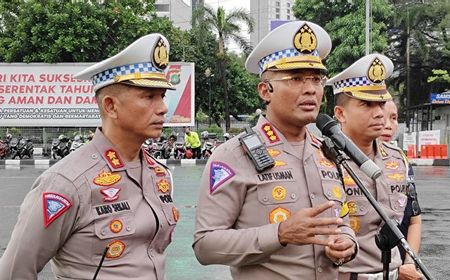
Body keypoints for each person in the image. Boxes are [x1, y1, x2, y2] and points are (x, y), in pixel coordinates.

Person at [0, 34, 179, 279]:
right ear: (110, 106)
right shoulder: (67, 182)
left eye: (162, 96)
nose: (162, 108)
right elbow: (13, 272)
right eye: (149, 96)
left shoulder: (159, 174)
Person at [193, 20, 357, 279]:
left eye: (316, 79)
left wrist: (348, 242)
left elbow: (343, 222)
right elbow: (205, 246)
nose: (311, 89)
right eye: (295, 79)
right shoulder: (232, 155)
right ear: (265, 90)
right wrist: (280, 234)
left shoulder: (326, 152)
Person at [327, 54, 413, 280]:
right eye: (366, 104)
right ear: (340, 113)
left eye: (381, 103)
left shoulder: (397, 159)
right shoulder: (323, 160)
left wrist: (409, 262)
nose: (378, 113)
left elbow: (410, 218)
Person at [382, 100, 423, 280]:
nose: (387, 126)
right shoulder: (336, 161)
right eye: (381, 118)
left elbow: (414, 220)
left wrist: (409, 262)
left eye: (394, 118)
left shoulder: (400, 162)